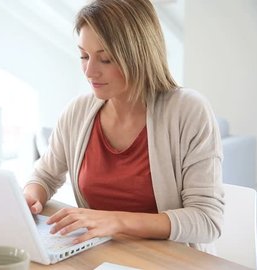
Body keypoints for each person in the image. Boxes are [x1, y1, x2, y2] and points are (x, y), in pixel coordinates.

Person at [23, 0, 224, 253]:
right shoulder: (78, 111)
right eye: (84, 56)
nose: (89, 71)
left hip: (172, 259)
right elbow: (44, 176)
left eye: (105, 59)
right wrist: (31, 197)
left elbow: (207, 220)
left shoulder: (188, 111)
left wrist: (115, 221)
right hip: (102, 255)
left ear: (140, 55)